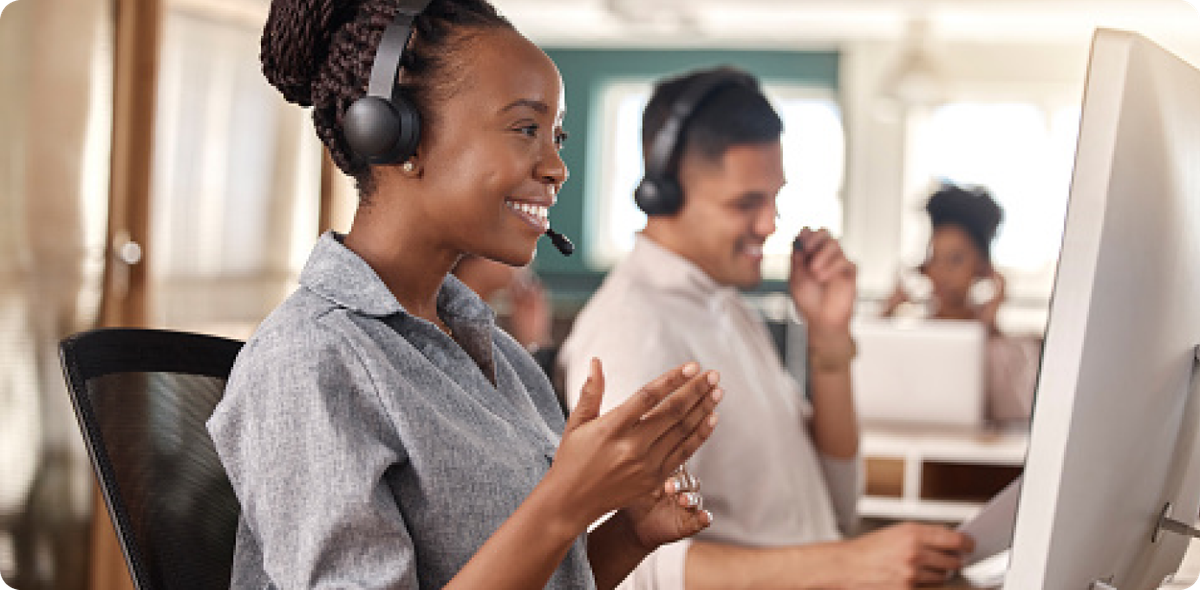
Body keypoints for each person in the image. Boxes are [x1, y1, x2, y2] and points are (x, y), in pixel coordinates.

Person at [206, 1, 726, 588]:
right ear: (396, 133)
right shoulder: (308, 360)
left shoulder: (502, 361)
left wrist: (628, 533)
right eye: (526, 129)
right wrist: (565, 502)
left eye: (556, 136)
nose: (557, 167)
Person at [558, 66, 975, 589]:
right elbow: (635, 573)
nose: (770, 224)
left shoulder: (725, 305)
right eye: (746, 203)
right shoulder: (633, 329)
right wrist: (853, 566)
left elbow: (836, 504)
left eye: (773, 197)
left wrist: (828, 338)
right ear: (662, 193)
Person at [881, 183, 1039, 422]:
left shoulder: (1010, 348)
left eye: (955, 260)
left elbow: (1012, 417)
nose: (941, 272)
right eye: (934, 258)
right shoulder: (909, 335)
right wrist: (884, 316)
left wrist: (987, 326)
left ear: (983, 267)